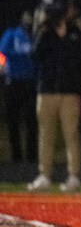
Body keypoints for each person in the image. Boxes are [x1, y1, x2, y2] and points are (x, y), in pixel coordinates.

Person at [28, 0, 81, 192]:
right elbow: (35, 55)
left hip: (69, 91)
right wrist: (41, 29)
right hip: (47, 90)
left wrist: (74, 32)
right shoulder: (45, 33)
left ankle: (73, 176)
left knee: (71, 134)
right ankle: (44, 175)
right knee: (46, 134)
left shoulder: (74, 33)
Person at [0, 10, 38, 163]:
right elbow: (1, 53)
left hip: (30, 83)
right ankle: (16, 156)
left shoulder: (35, 36)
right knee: (13, 120)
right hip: (14, 82)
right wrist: (3, 71)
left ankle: (31, 156)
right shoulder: (12, 34)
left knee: (31, 121)